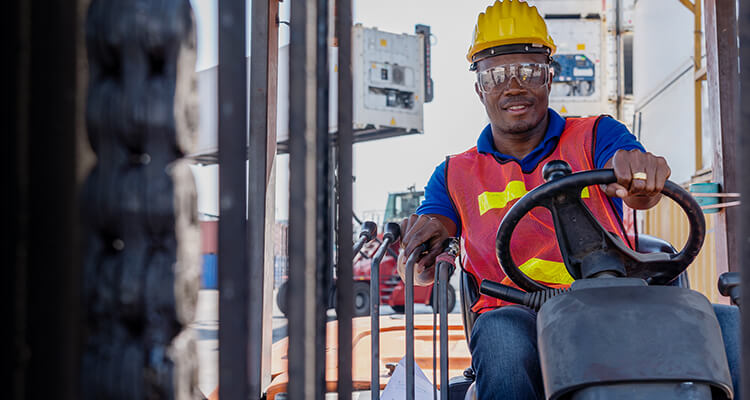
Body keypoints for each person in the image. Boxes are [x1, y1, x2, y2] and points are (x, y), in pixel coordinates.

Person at [397, 1, 741, 399]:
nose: (514, 86)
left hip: (614, 303)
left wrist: (640, 176)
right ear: (480, 88)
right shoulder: (453, 174)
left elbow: (636, 185)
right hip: (518, 311)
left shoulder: (597, 135)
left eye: (529, 71)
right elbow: (423, 262)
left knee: (728, 324)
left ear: (549, 78)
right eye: (497, 76)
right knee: (502, 340)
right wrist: (420, 249)